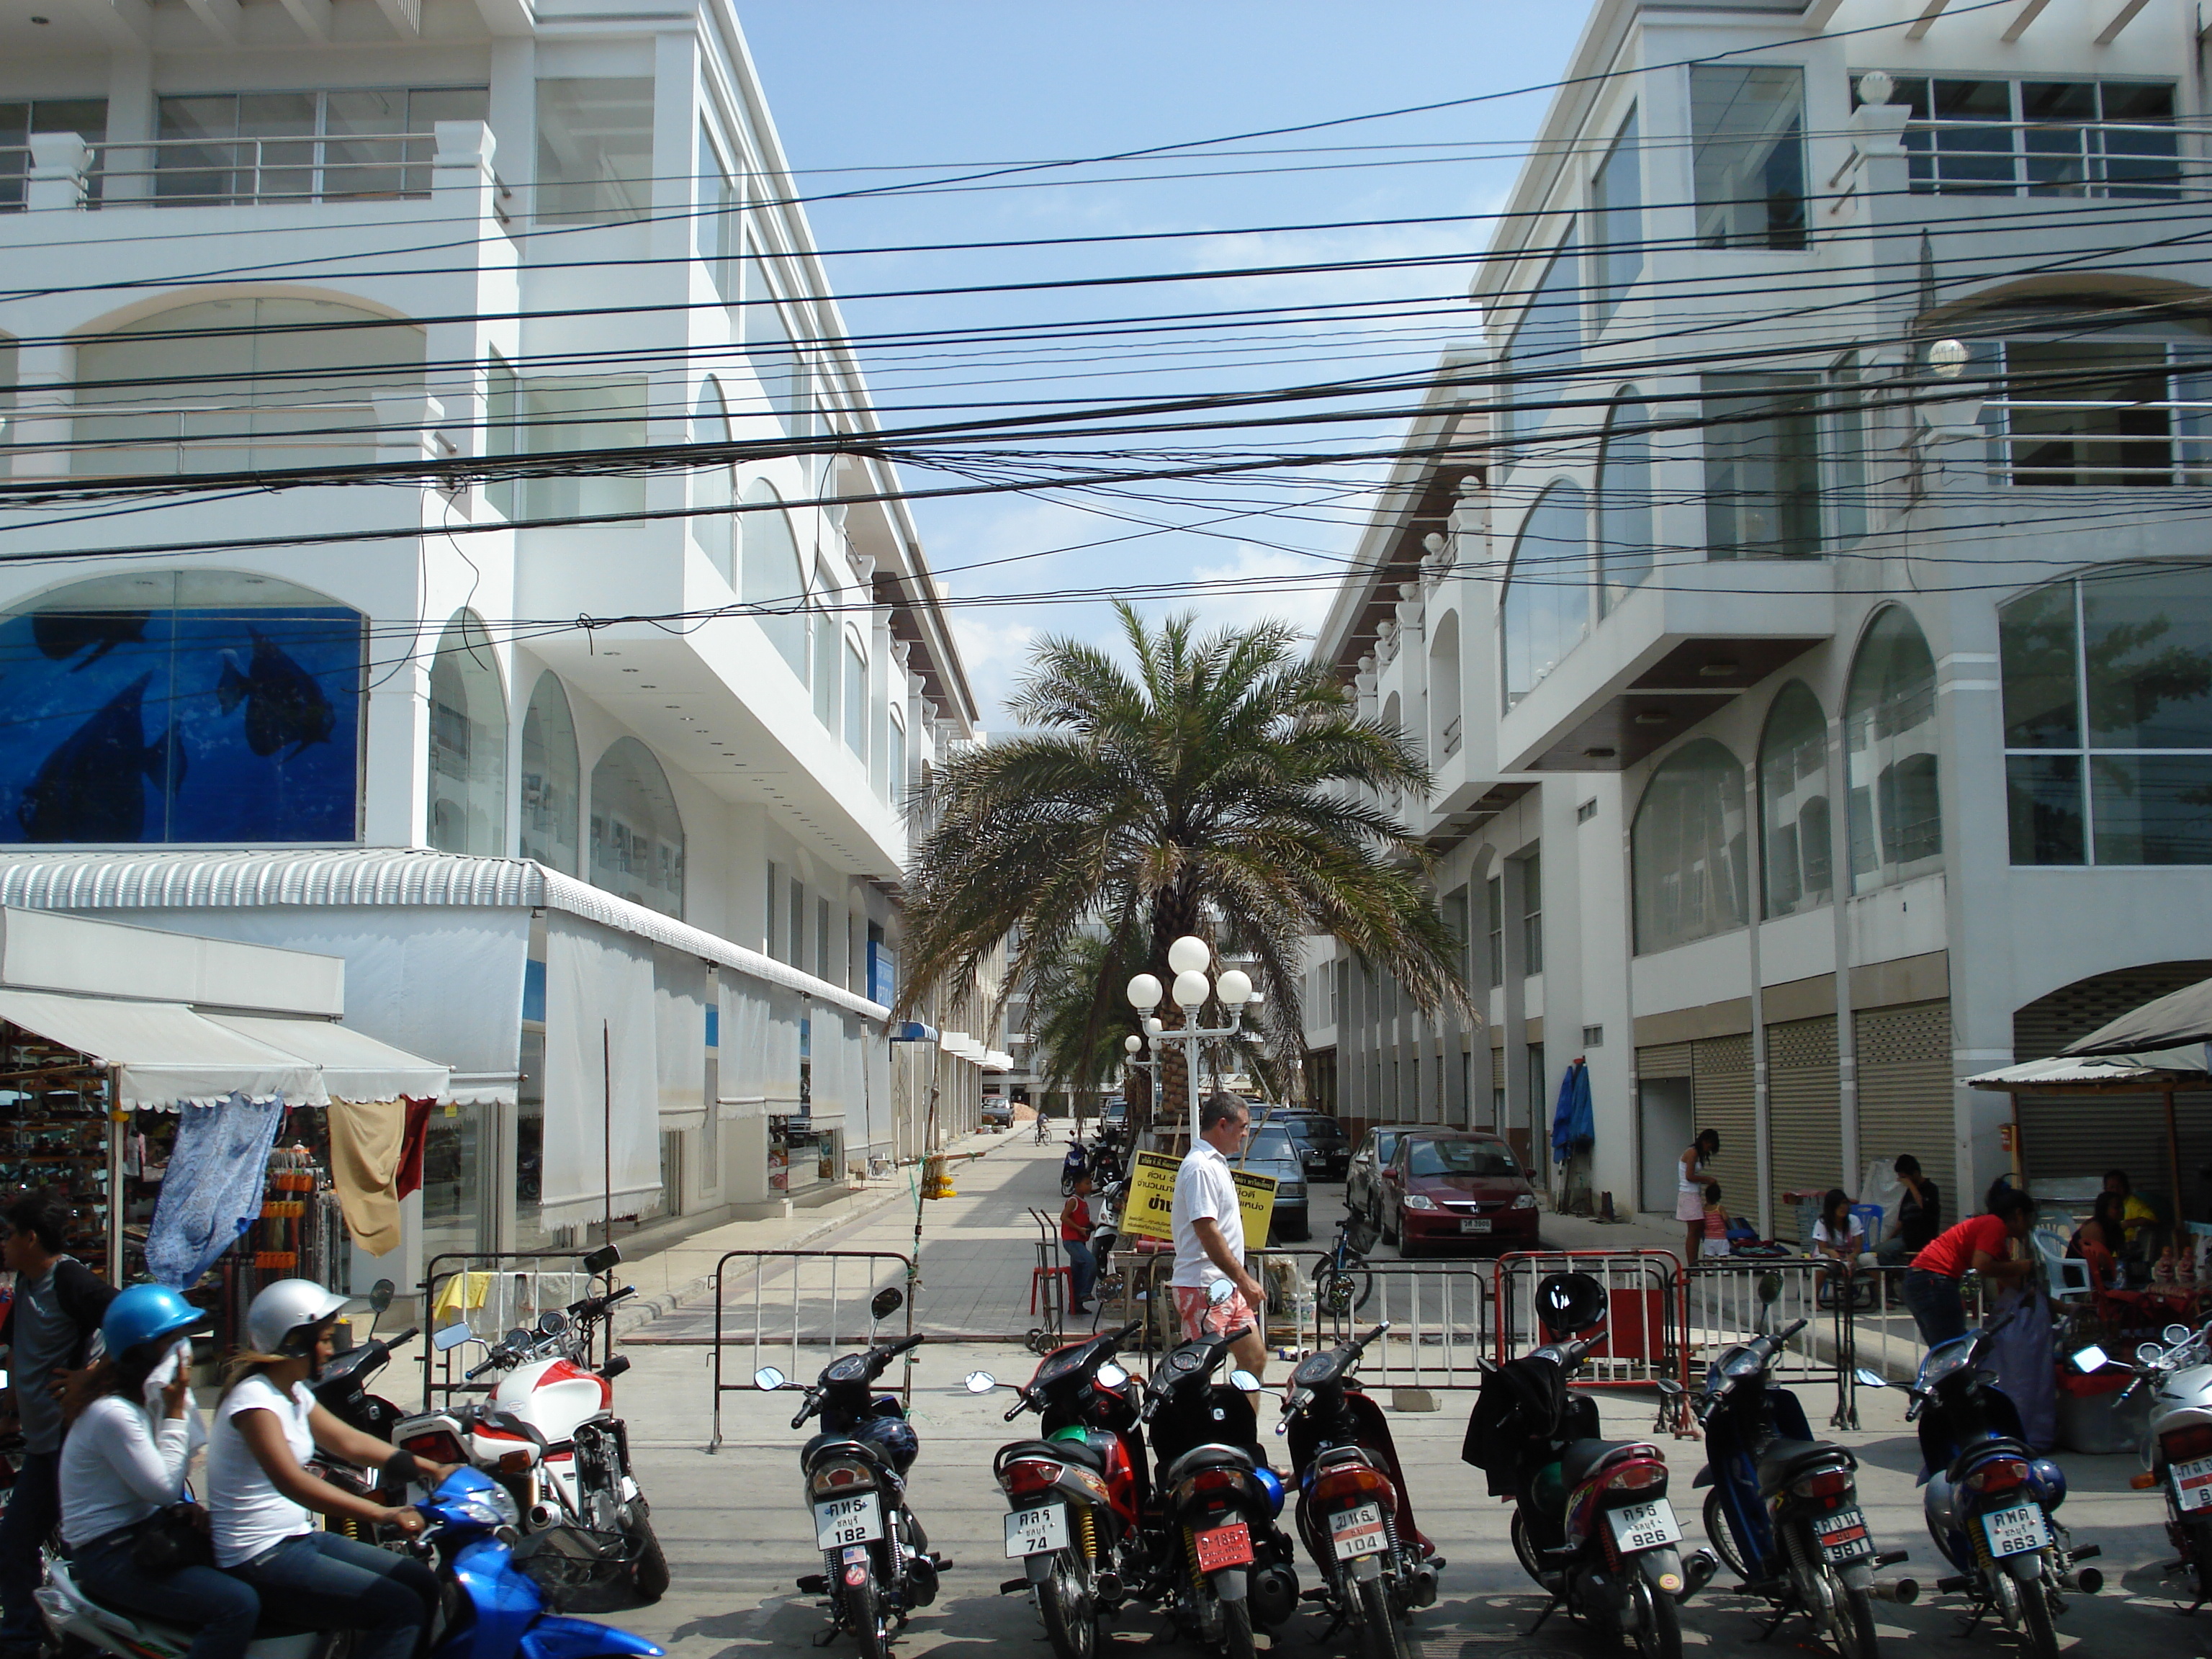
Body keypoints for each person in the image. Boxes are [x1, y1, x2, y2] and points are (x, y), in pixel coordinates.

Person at [207, 1280, 444, 1659]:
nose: (333, 1350)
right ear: (294, 1343)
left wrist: (433, 1467)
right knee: (400, 1608)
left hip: (296, 1539)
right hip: (259, 1556)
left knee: (419, 1581)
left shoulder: (294, 1391)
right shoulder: (254, 1402)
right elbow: (292, 1482)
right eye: (326, 1339)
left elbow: (350, 1443)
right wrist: (382, 1512)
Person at [59, 1285, 258, 1659]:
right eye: (173, 1341)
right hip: (109, 1554)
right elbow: (163, 1487)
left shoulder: (142, 1406)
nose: (183, 1351)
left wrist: (184, 1509)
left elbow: (167, 1488)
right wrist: (176, 1412)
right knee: (236, 1605)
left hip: (143, 1533)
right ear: (142, 1351)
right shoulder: (113, 1414)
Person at [0, 1191, 117, 1659]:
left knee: (76, 1549)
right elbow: (19, 1348)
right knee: (17, 1544)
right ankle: (25, 1639)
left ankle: (82, 1641)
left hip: (72, 1447)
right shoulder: (27, 1284)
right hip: (42, 1443)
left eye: (7, 1235)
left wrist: (94, 1376)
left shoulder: (70, 1280)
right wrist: (10, 1403)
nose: (2, 1244)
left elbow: (137, 1329)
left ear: (31, 1238)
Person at [1171, 1092, 1268, 1384]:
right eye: (1243, 1127)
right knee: (1199, 1374)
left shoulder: (1216, 1163)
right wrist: (1244, 1279)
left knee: (1254, 1359)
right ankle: (1200, 1429)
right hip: (1204, 1287)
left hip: (1225, 1287)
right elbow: (1207, 1231)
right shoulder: (1200, 1167)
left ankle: (1240, 1428)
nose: (1245, 1135)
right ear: (1222, 1125)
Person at [1902, 1187, 2038, 1348]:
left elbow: (2013, 1284)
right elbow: (1981, 1266)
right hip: (1934, 1281)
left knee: (1947, 1350)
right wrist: (2021, 1267)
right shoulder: (1994, 1224)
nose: (2030, 1227)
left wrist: (2061, 1307)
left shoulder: (1993, 1238)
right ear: (2019, 1214)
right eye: (2030, 1219)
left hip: (1921, 1280)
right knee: (1952, 1353)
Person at [1876, 1155, 1942, 1267]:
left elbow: (1923, 1207)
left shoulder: (1931, 1189)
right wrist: (1889, 1239)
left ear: (1915, 1173)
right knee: (1876, 1253)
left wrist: (1911, 1186)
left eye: (1905, 1178)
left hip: (1922, 1237)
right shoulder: (1907, 1193)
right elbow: (1902, 1220)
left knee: (1883, 1252)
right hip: (1905, 1236)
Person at [2067, 1192, 2126, 1291]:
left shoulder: (2115, 1228)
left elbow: (2121, 1256)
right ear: (2104, 1210)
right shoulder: (2095, 1228)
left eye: (2122, 1207)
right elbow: (2104, 1263)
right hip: (2079, 1274)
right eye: (2116, 1208)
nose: (2122, 1210)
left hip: (2096, 1271)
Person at [1678, 1129, 1720, 1266]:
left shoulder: (1697, 1153)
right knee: (1694, 1231)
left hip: (1693, 1194)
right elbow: (1689, 1176)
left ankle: (1696, 1261)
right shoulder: (1693, 1153)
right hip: (1688, 1194)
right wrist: (1707, 1179)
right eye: (1709, 1145)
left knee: (1697, 1230)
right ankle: (1693, 1264)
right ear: (1704, 1141)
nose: (1709, 1148)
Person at [2103, 1169, 2159, 1266]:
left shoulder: (2134, 1204)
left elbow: (2152, 1220)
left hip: (2128, 1256)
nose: (2115, 1191)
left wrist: (2127, 1224)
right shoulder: (2106, 1205)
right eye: (2111, 1187)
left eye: (2119, 1187)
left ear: (2126, 1187)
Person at [1061, 1173, 1097, 1316]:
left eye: (1090, 1183)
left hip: (1080, 1241)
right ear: (1077, 1186)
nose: (1090, 1186)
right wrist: (1079, 1229)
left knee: (1077, 1273)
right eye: (1087, 1183)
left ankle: (1076, 1306)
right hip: (1072, 1241)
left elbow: (1081, 1219)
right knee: (1090, 1262)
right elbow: (1064, 1217)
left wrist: (1090, 1226)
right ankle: (1085, 1292)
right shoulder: (1073, 1200)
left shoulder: (1083, 1202)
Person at [1812, 1189, 1866, 1279]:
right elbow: (1822, 1248)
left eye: (1845, 1203)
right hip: (1831, 1258)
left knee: (1869, 1259)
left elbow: (1859, 1247)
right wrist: (1832, 1252)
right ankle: (1815, 1293)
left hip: (1850, 1256)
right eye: (1838, 1204)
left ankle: (1880, 1291)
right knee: (1822, 1261)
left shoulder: (1854, 1220)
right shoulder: (1822, 1223)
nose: (1843, 1207)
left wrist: (1852, 1256)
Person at [1700, 1183, 1730, 1259]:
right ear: (1718, 1197)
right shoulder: (1719, 1208)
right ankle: (1725, 1270)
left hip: (1709, 1237)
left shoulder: (1704, 1209)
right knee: (1723, 1256)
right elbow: (1726, 1218)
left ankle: (1709, 1271)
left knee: (1709, 1256)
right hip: (1721, 1237)